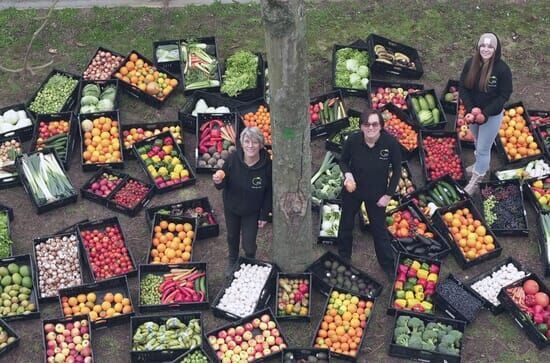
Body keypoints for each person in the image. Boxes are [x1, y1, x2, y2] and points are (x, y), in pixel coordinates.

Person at [338, 109, 402, 278]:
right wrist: (348, 175)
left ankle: (388, 265)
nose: (371, 128)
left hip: (377, 194)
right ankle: (344, 256)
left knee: (379, 229)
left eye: (375, 124)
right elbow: (343, 161)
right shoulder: (352, 141)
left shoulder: (390, 144)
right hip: (353, 190)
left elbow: (397, 170)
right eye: (367, 124)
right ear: (361, 127)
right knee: (346, 223)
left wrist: (388, 195)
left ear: (381, 126)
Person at [213, 127, 272, 277]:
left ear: (260, 144)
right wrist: (218, 181)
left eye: (255, 142)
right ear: (242, 143)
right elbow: (222, 182)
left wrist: (264, 214)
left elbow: (269, 191)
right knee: (232, 236)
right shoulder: (233, 159)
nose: (250, 146)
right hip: (232, 207)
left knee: (249, 243)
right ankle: (232, 260)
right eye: (247, 141)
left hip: (252, 210)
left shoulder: (267, 166)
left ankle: (249, 262)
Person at [459, 32, 513, 195]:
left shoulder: (502, 70)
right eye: (483, 45)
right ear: (478, 46)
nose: (486, 49)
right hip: (474, 114)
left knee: (483, 149)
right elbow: (463, 87)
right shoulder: (471, 64)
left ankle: (477, 179)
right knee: (476, 139)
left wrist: (485, 113)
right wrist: (471, 109)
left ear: (496, 50)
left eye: (490, 46)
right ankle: (480, 165)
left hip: (491, 116)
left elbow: (504, 94)